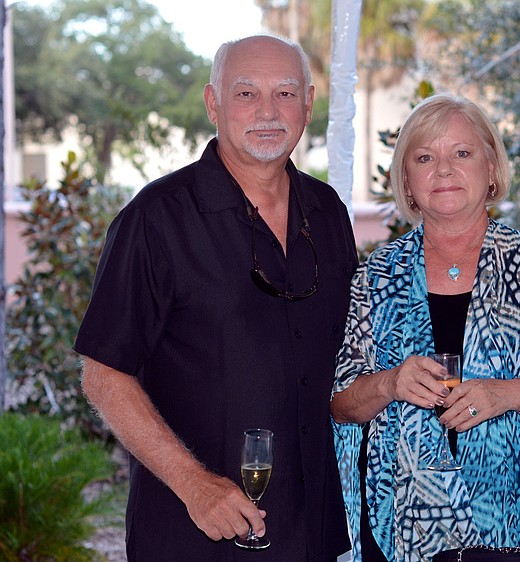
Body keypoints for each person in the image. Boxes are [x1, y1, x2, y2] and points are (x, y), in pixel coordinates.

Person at [74, 35, 356, 561]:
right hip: (193, 534)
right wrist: (194, 484)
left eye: (286, 94)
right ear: (213, 104)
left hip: (310, 532)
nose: (268, 112)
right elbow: (104, 373)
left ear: (309, 104)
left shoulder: (329, 212)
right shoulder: (155, 220)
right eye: (246, 94)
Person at [331, 94, 520, 562]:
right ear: (406, 180)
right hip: (402, 530)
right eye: (424, 157)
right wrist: (391, 382)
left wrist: (504, 394)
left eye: (461, 153)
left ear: (492, 168)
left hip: (515, 528)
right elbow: (341, 406)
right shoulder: (375, 277)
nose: (443, 170)